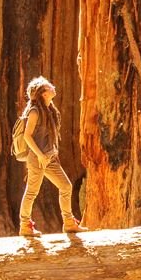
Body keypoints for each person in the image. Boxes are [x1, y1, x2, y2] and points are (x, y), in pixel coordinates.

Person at [18, 76, 87, 237]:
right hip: (37, 158)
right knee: (32, 192)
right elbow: (27, 136)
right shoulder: (34, 111)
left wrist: (49, 155)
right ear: (42, 93)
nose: (53, 87)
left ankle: (69, 223)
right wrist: (40, 155)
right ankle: (25, 226)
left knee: (65, 186)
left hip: (49, 158)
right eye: (49, 87)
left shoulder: (49, 110)